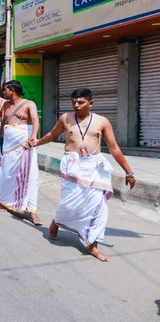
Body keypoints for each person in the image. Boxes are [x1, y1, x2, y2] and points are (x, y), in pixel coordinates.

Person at [35, 88, 136, 262]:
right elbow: (52, 135)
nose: (76, 105)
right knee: (69, 202)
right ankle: (56, 222)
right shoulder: (65, 118)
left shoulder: (101, 122)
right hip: (72, 165)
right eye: (73, 102)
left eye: (80, 102)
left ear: (91, 102)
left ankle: (92, 246)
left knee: (97, 204)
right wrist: (36, 142)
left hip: (94, 166)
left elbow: (113, 148)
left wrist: (129, 171)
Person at [0, 80, 41, 225]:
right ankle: (4, 201)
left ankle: (32, 211)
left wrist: (33, 136)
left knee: (30, 175)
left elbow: (35, 120)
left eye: (5, 90)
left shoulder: (29, 104)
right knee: (7, 172)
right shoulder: (5, 104)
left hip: (25, 142)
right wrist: (0, 133)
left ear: (12, 90)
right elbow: (4, 121)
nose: (3, 92)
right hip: (9, 144)